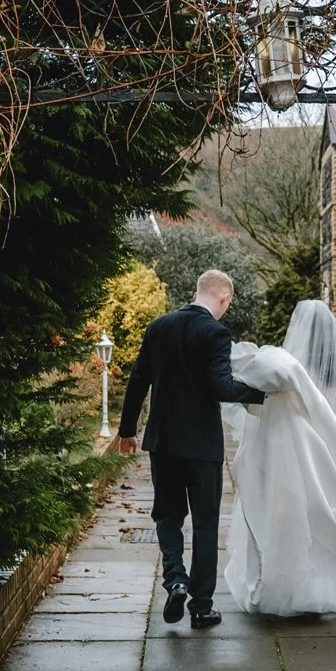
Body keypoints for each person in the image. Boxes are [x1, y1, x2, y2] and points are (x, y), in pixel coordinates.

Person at [114, 269, 266, 628]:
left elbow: (138, 380)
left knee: (167, 515)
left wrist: (127, 430)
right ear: (224, 298)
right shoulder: (215, 332)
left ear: (196, 291)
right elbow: (222, 388)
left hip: (163, 442)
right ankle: (201, 607)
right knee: (205, 523)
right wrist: (261, 393)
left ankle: (175, 579)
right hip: (202, 446)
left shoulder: (158, 327)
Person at [222, 299, 336, 616]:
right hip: (335, 443)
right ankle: (329, 594)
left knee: (295, 515)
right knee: (326, 512)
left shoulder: (291, 364)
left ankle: (291, 589)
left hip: (301, 447)